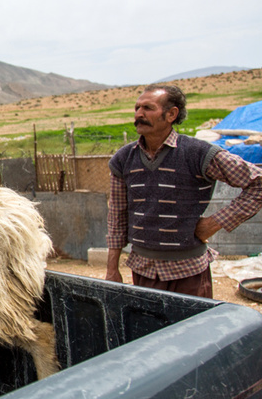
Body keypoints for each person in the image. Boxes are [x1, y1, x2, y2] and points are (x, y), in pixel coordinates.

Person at [106, 85, 262, 298]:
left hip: (189, 273)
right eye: (137, 108)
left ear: (171, 114)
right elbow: (117, 215)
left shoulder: (199, 153)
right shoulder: (123, 159)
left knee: (194, 330)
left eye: (148, 108)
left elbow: (258, 183)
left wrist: (214, 223)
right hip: (142, 271)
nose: (139, 114)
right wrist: (112, 268)